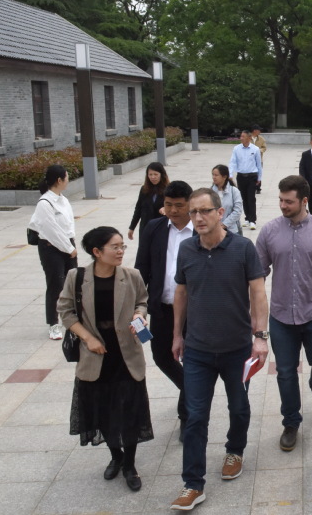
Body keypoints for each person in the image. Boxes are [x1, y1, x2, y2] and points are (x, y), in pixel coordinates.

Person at [170, 188, 269, 511]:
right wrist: (177, 335)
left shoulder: (242, 248)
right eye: (193, 212)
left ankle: (234, 450)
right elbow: (181, 293)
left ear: (220, 213)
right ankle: (192, 484)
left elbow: (258, 292)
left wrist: (260, 336)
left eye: (204, 211)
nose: (198, 218)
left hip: (237, 349)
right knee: (195, 416)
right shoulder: (186, 249)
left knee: (238, 407)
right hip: (197, 350)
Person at [58, 226, 153, 492]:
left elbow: (142, 301)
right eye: (115, 247)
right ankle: (116, 456)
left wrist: (140, 315)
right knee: (104, 411)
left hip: (126, 355)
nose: (121, 251)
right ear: (97, 252)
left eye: (122, 246)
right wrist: (87, 338)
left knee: (130, 412)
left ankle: (130, 464)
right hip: (96, 355)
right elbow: (65, 311)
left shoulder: (132, 276)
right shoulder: (77, 277)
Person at [256, 175, 312, 451]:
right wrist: (255, 319)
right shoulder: (269, 232)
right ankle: (291, 422)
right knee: (285, 372)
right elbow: (257, 276)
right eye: (281, 200)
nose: (283, 205)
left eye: (289, 201)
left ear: (305, 201)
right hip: (281, 316)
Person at [135, 181, 194, 443]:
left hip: (195, 311)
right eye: (168, 205)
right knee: (161, 356)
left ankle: (187, 416)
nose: (172, 210)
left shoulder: (201, 230)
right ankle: (193, 389)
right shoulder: (154, 228)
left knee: (192, 361)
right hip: (161, 307)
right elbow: (142, 268)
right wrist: (138, 306)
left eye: (179, 206)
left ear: (190, 204)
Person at [28, 164, 77, 340]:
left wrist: (71, 245)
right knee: (55, 285)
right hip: (51, 248)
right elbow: (51, 230)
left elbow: (68, 226)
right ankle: (54, 324)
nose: (68, 180)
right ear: (59, 180)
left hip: (67, 245)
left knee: (72, 283)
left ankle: (73, 319)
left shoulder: (64, 200)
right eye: (67, 176)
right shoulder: (45, 203)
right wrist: (69, 248)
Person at [228, 130, 262, 230]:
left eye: (243, 136)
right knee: (244, 198)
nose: (241, 138)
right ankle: (247, 218)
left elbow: (259, 164)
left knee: (251, 198)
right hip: (241, 176)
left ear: (249, 138)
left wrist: (259, 178)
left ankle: (252, 220)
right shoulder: (236, 149)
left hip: (252, 176)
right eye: (241, 136)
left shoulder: (255, 149)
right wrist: (230, 174)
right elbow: (232, 162)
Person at [127, 162, 168, 240]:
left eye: (155, 174)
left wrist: (166, 208)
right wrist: (132, 228)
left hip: (161, 228)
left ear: (161, 174)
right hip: (145, 228)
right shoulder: (144, 189)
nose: (153, 177)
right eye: (150, 174)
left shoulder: (168, 190)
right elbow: (138, 209)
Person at [211, 164, 243, 235]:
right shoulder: (210, 192)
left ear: (224, 177)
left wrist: (224, 224)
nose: (214, 177)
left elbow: (237, 211)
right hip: (214, 230)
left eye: (216, 175)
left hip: (231, 230)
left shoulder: (234, 191)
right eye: (213, 175)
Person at [251, 124, 267, 193]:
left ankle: (258, 188)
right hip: (250, 159)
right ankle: (252, 186)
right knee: (251, 173)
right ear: (254, 131)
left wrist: (259, 150)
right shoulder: (248, 138)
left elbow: (264, 148)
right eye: (259, 130)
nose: (260, 131)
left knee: (258, 173)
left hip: (259, 159)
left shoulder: (261, 139)